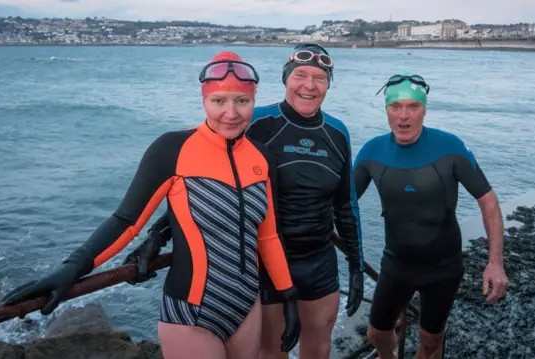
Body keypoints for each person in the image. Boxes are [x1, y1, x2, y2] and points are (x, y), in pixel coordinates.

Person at [0, 51, 301, 359]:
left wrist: (287, 295)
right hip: (192, 313)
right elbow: (126, 222)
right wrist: (72, 267)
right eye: (219, 101)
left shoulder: (262, 158)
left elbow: (268, 237)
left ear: (254, 101)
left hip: (247, 309)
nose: (231, 113)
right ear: (204, 101)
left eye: (242, 101)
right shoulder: (173, 149)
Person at [125, 43, 365, 359]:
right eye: (300, 75)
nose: (309, 85)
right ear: (285, 80)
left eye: (320, 78)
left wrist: (356, 264)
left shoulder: (337, 132)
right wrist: (158, 234)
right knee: (270, 352)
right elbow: (196, 173)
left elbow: (346, 204)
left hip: (319, 260)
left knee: (319, 348)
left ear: (329, 84)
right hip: (263, 261)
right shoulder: (254, 122)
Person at [353, 73, 508, 359]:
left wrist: (495, 263)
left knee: (430, 340)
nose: (403, 116)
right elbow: (343, 204)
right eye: (395, 107)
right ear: (385, 109)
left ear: (425, 109)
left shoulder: (449, 147)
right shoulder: (371, 152)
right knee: (376, 333)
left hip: (443, 268)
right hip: (396, 264)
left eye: (413, 107)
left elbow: (488, 201)